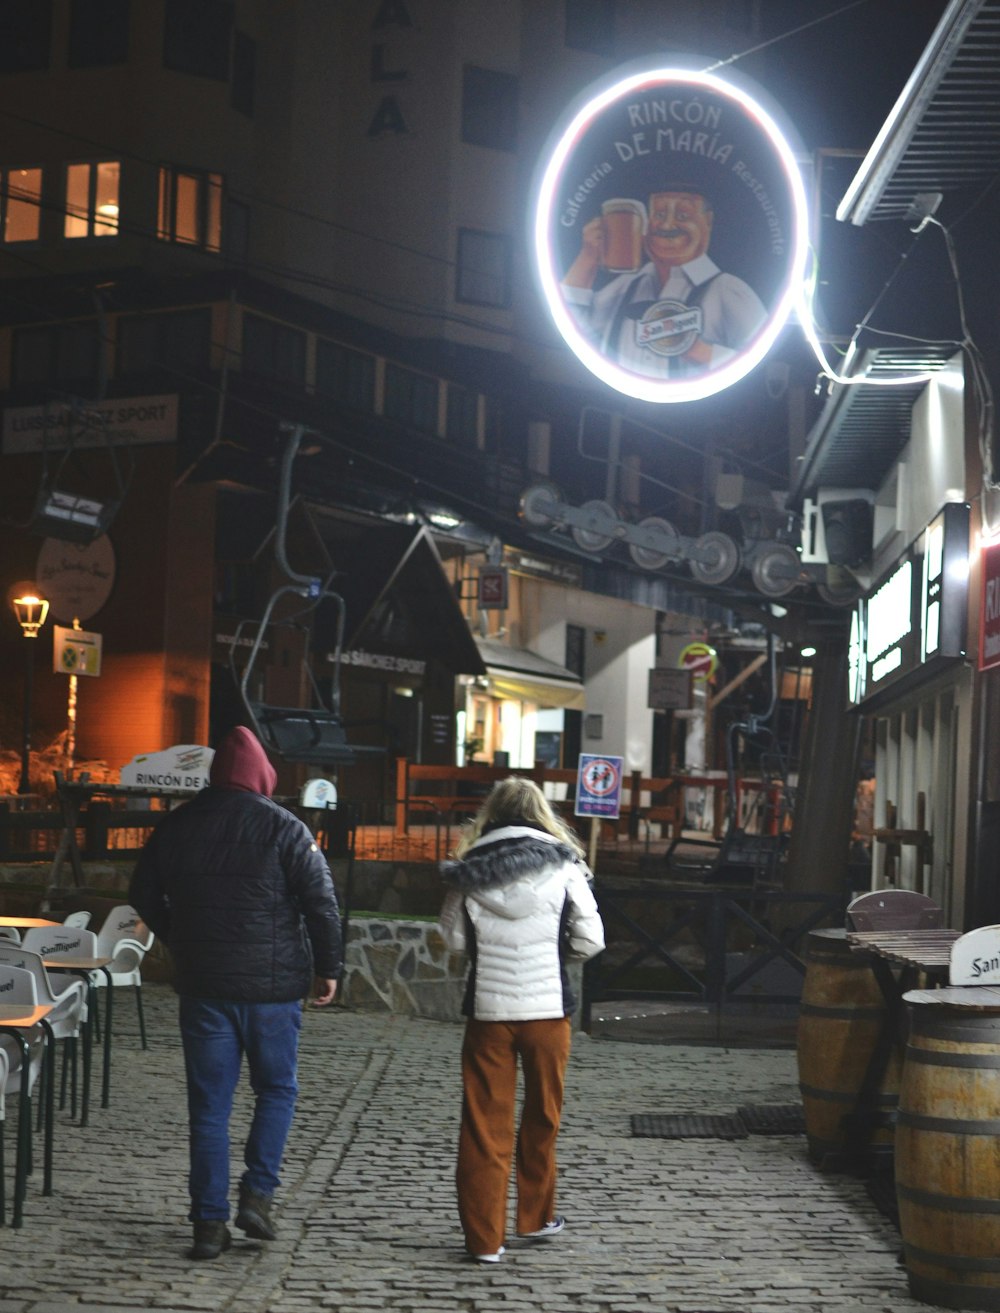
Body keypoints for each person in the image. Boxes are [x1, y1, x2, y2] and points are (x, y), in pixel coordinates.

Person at [129, 725, 343, 1261]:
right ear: (262, 775)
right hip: (273, 992)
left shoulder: (177, 826)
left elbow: (141, 891)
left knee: (209, 1108)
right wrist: (329, 967)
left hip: (204, 986)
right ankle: (258, 1194)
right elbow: (321, 902)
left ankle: (207, 1224)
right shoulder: (285, 828)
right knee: (276, 1090)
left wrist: (178, 935)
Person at [439, 777, 605, 1264]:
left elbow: (452, 939)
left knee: (483, 1127)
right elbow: (591, 939)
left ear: (491, 814)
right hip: (548, 1013)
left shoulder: (468, 870)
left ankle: (485, 1241)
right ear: (540, 813)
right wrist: (557, 956)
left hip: (489, 1014)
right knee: (543, 1115)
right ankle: (536, 1217)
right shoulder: (566, 866)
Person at [561, 186, 767, 377]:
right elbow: (571, 328)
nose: (667, 225)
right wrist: (587, 258)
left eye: (683, 215)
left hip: (694, 414)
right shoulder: (627, 286)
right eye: (659, 214)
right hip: (616, 407)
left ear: (708, 222)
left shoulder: (727, 290)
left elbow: (766, 366)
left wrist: (702, 352)